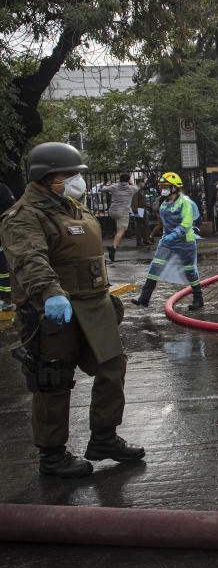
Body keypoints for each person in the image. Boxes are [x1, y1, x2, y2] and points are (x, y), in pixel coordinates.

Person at [0, 142, 144, 477]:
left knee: (112, 368)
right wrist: (50, 293)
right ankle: (52, 455)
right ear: (44, 177)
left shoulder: (72, 207)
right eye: (67, 175)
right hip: (54, 311)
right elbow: (28, 259)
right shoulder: (24, 216)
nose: (74, 181)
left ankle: (104, 437)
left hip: (94, 306)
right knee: (53, 380)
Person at [130, 172, 203, 311]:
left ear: (174, 187)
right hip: (168, 241)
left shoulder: (184, 203)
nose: (163, 189)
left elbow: (187, 223)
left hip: (184, 241)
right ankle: (144, 298)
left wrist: (175, 234)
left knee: (189, 271)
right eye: (162, 186)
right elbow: (164, 222)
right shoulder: (164, 203)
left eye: (166, 186)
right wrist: (166, 237)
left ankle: (198, 299)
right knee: (155, 267)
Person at [103, 173, 138, 262]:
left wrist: (107, 184)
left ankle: (116, 237)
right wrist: (131, 182)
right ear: (128, 180)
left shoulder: (114, 187)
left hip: (112, 211)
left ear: (120, 180)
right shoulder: (131, 188)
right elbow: (137, 188)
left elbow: (103, 189)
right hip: (123, 211)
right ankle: (113, 247)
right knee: (121, 230)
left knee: (118, 225)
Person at [0, 181, 17, 310]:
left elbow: (11, 211)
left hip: (2, 237)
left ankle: (7, 299)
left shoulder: (2, 189)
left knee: (4, 269)